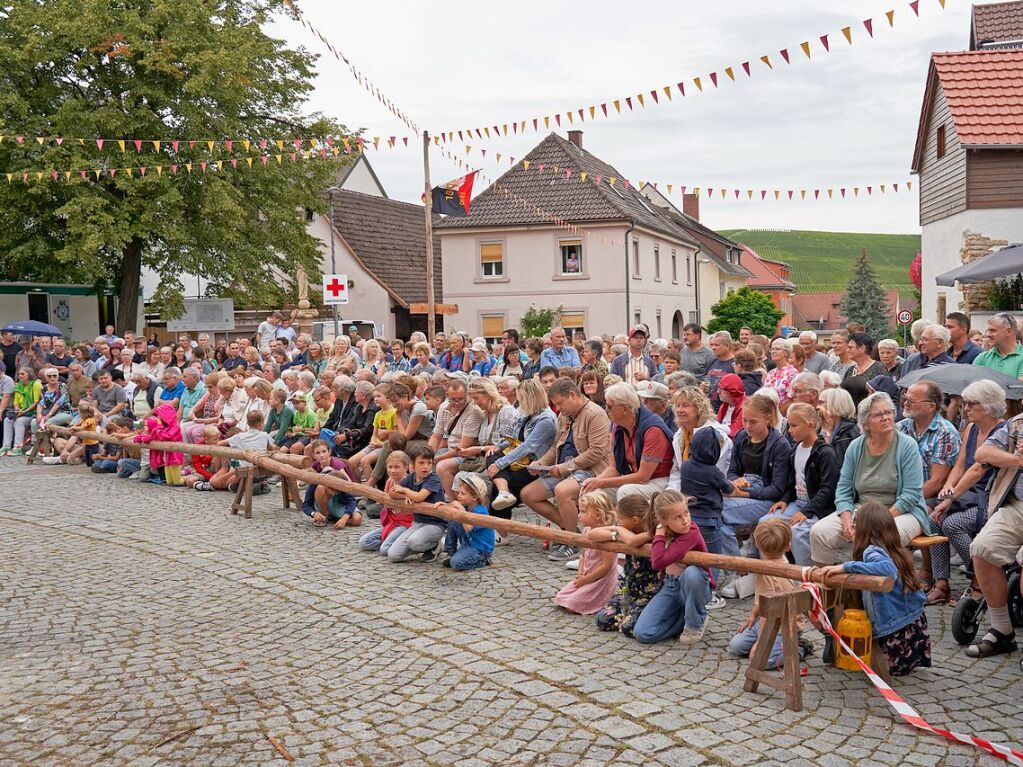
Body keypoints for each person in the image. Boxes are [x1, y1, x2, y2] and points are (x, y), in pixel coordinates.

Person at [810, 392, 933, 566]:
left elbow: (911, 495)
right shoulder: (856, 446)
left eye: (889, 412)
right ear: (866, 422)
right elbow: (843, 489)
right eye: (878, 415)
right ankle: (830, 588)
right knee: (819, 532)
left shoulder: (907, 445)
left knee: (879, 536)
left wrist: (875, 521)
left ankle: (879, 588)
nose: (886, 418)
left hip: (901, 512)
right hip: (861, 509)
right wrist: (846, 519)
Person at [819, 501, 931, 676]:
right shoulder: (894, 548)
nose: (852, 530)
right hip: (912, 622)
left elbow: (888, 570)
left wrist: (846, 567)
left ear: (865, 530)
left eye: (855, 526)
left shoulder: (871, 551)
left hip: (895, 629)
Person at [925, 379, 1006, 606]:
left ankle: (980, 579)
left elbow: (977, 470)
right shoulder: (970, 428)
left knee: (953, 524)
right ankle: (941, 584)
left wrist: (952, 497)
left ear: (989, 406)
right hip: (965, 491)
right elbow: (960, 465)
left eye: (972, 404)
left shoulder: (1003, 431)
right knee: (933, 519)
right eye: (965, 404)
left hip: (990, 496)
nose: (966, 409)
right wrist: (948, 488)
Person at [520, 378, 611, 560]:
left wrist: (562, 468)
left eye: (560, 403)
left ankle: (572, 542)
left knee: (563, 491)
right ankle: (570, 530)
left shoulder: (595, 414)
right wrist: (541, 463)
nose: (558, 408)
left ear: (572, 395)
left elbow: (596, 453)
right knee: (528, 494)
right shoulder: (565, 416)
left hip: (592, 470)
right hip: (566, 469)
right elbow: (556, 445)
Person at [968, 411, 1023, 658]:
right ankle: (1002, 631)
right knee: (982, 548)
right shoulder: (1018, 423)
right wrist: (1015, 459)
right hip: (1017, 505)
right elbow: (982, 454)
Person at [759, 403, 838, 565]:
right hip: (798, 503)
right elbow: (793, 483)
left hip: (818, 508)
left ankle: (804, 576)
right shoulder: (795, 449)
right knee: (765, 523)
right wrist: (785, 500)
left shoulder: (825, 453)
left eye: (794, 425)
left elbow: (828, 489)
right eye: (789, 425)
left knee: (797, 532)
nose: (790, 430)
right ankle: (773, 572)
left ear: (810, 425)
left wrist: (807, 511)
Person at [633, 491, 713, 644]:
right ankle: (685, 619)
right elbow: (632, 541)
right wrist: (616, 533)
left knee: (692, 573)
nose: (685, 520)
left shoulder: (691, 533)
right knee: (642, 633)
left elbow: (658, 561)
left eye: (686, 513)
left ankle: (695, 623)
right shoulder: (663, 531)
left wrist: (659, 533)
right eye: (678, 517)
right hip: (670, 586)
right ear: (663, 520)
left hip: (696, 587)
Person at [729, 519, 810, 669]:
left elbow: (768, 612)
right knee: (736, 646)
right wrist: (753, 616)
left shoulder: (766, 575)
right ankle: (775, 645)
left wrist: (761, 643)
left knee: (761, 660)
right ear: (788, 547)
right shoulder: (773, 563)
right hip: (766, 618)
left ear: (757, 545)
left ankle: (799, 648)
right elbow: (762, 603)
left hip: (786, 624)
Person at [719, 394, 791, 562]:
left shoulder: (780, 445)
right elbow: (732, 470)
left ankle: (733, 568)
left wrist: (744, 494)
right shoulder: (741, 436)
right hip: (741, 491)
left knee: (716, 510)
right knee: (718, 521)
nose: (747, 426)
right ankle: (735, 567)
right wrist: (735, 480)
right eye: (744, 420)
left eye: (753, 421)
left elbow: (777, 489)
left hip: (764, 498)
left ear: (767, 419)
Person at [582, 383, 673, 502]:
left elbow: (643, 476)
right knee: (596, 492)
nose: (606, 410)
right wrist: (595, 482)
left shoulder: (653, 430)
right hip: (638, 478)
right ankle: (610, 520)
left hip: (661, 479)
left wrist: (602, 482)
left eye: (609, 406)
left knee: (625, 492)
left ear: (625, 409)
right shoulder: (618, 426)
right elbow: (614, 468)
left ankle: (624, 520)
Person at [485, 378, 557, 515]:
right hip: (521, 459)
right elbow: (514, 438)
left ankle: (503, 496)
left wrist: (499, 464)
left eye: (521, 399)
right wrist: (499, 447)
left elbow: (527, 446)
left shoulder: (546, 419)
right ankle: (504, 492)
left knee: (499, 482)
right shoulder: (526, 413)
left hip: (534, 464)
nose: (519, 402)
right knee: (492, 455)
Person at [553, 492, 619, 614]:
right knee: (560, 598)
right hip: (587, 574)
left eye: (583, 512)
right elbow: (584, 555)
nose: (579, 515)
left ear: (598, 515)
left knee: (571, 605)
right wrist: (580, 574)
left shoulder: (606, 536)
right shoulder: (587, 530)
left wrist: (587, 579)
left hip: (600, 579)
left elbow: (607, 566)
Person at [386, 444, 449, 563]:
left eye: (429, 463)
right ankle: (423, 547)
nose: (426, 466)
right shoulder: (411, 478)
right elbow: (391, 492)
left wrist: (405, 490)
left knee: (413, 541)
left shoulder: (433, 479)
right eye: (421, 463)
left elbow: (420, 497)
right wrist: (405, 495)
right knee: (393, 555)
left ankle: (437, 545)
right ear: (412, 464)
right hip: (418, 523)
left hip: (435, 524)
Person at [359, 450, 415, 555]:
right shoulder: (389, 481)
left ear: (406, 467)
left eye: (397, 467)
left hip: (405, 524)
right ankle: (394, 542)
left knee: (385, 549)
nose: (393, 470)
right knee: (364, 542)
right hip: (392, 521)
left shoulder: (410, 483)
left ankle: (408, 546)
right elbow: (386, 502)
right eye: (390, 467)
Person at [437, 474, 495, 571]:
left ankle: (482, 561)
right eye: (459, 493)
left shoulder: (480, 512)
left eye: (463, 494)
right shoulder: (468, 506)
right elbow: (454, 510)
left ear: (475, 497)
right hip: (469, 542)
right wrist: (445, 505)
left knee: (456, 564)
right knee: (453, 521)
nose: (458, 496)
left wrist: (461, 510)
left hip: (480, 549)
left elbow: (468, 528)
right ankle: (451, 553)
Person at [133, 403, 185, 485]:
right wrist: (141, 438)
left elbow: (167, 436)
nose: (159, 418)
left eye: (160, 416)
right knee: (169, 482)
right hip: (168, 456)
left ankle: (187, 476)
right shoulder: (165, 427)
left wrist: (158, 428)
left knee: (177, 482)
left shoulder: (175, 425)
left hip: (175, 455)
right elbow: (153, 436)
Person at [973, 311, 1023, 380]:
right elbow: (973, 385)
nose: (988, 335)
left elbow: (1019, 388)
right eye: (988, 330)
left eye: (993, 330)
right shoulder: (983, 358)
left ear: (1008, 331)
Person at [2, 368, 41, 456]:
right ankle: (6, 446)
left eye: (22, 374)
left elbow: (36, 402)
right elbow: (16, 402)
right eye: (19, 374)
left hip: (33, 413)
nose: (20, 376)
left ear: (29, 374)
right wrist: (17, 410)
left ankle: (17, 447)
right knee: (7, 420)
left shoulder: (36, 384)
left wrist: (23, 412)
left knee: (19, 421)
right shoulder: (18, 386)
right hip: (21, 412)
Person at [818, 387, 860, 465]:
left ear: (834, 404)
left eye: (821, 403)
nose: (817, 407)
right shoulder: (819, 427)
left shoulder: (849, 434)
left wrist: (827, 432)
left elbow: (830, 462)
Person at [703, 331, 736, 411]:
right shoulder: (712, 362)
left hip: (726, 410)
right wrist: (703, 387)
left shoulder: (735, 364)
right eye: (712, 345)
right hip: (709, 409)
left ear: (727, 346)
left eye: (717, 345)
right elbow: (706, 379)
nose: (713, 348)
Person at [763, 340, 797, 408]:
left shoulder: (792, 373)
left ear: (786, 353)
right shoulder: (770, 373)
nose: (773, 351)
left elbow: (791, 399)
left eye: (777, 349)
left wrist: (777, 415)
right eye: (772, 349)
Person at [716, 373, 746, 438]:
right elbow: (717, 424)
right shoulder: (724, 406)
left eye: (721, 389)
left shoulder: (745, 407)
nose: (718, 391)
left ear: (731, 392)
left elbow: (737, 430)